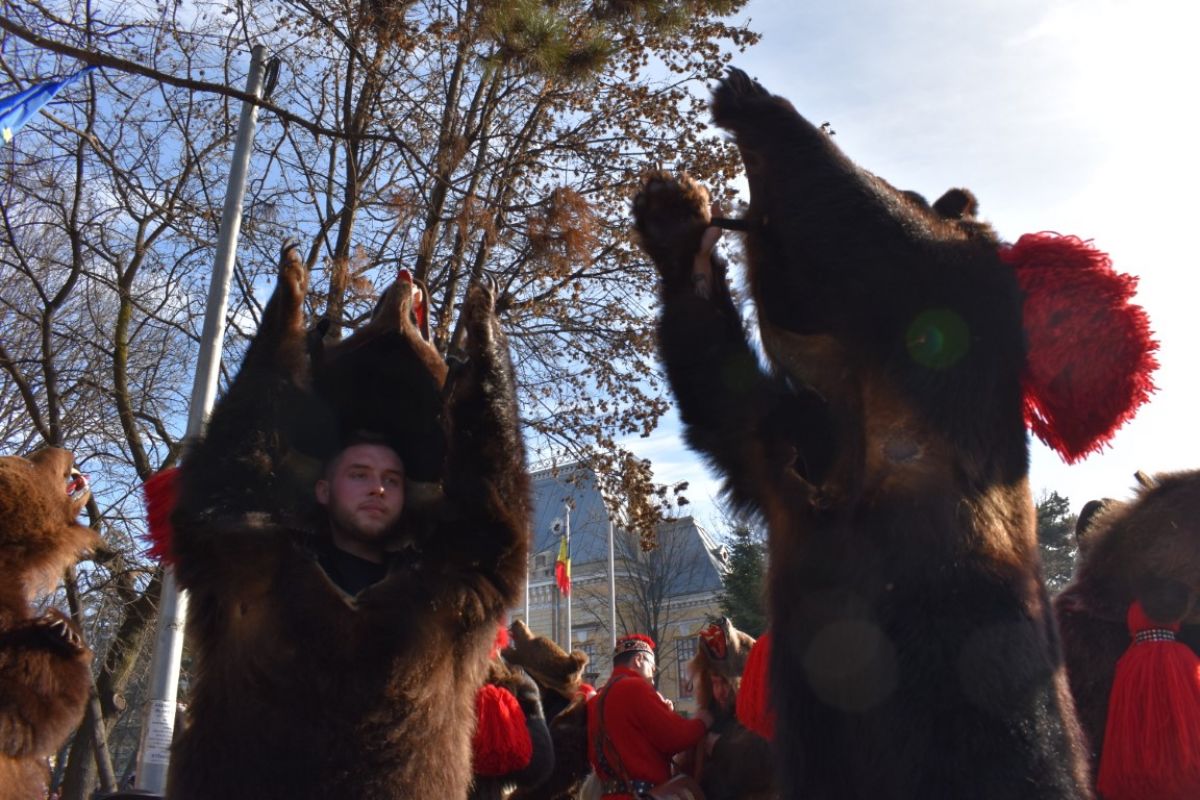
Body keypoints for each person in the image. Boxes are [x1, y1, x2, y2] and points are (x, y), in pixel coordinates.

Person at [587, 635, 712, 799]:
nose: (652, 678)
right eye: (652, 668)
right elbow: (675, 737)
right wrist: (702, 722)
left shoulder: (595, 701)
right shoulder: (635, 687)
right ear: (639, 659)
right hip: (642, 795)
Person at [310, 433, 407, 595]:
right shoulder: (281, 578)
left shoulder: (432, 587)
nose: (378, 489)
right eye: (360, 475)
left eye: (391, 480)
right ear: (325, 492)